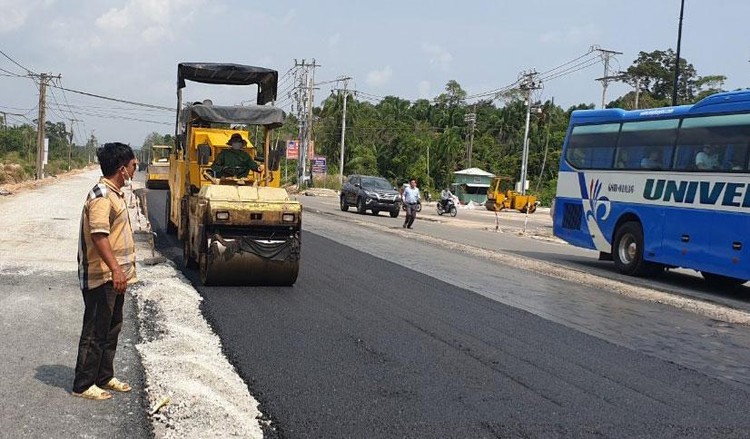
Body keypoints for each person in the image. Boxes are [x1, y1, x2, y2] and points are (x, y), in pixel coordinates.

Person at [73, 142, 138, 400]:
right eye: (133, 166)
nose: (135, 170)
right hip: (103, 276)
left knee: (112, 327)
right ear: (122, 169)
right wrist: (115, 270)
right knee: (95, 330)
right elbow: (99, 236)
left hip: (115, 276)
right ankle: (83, 384)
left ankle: (103, 376)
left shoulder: (114, 193)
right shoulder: (101, 196)